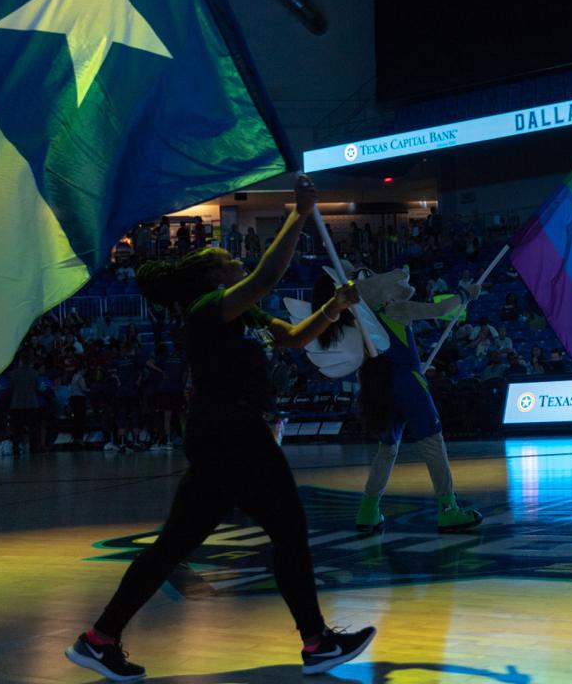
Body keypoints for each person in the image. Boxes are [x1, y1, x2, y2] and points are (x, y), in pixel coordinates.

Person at [65, 177, 375, 681]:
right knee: (289, 529)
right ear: (212, 274)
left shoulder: (240, 311)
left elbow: (294, 339)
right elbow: (266, 279)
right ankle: (317, 642)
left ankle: (99, 639)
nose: (235, 259)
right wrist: (298, 215)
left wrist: (332, 308)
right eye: (225, 258)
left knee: (174, 545)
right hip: (232, 433)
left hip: (223, 436)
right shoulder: (208, 308)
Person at [311, 268, 484, 536]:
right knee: (433, 444)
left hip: (381, 390)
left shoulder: (361, 325)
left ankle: (368, 510)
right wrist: (465, 294)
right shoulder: (397, 310)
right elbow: (441, 310)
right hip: (408, 384)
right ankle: (448, 509)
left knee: (387, 449)